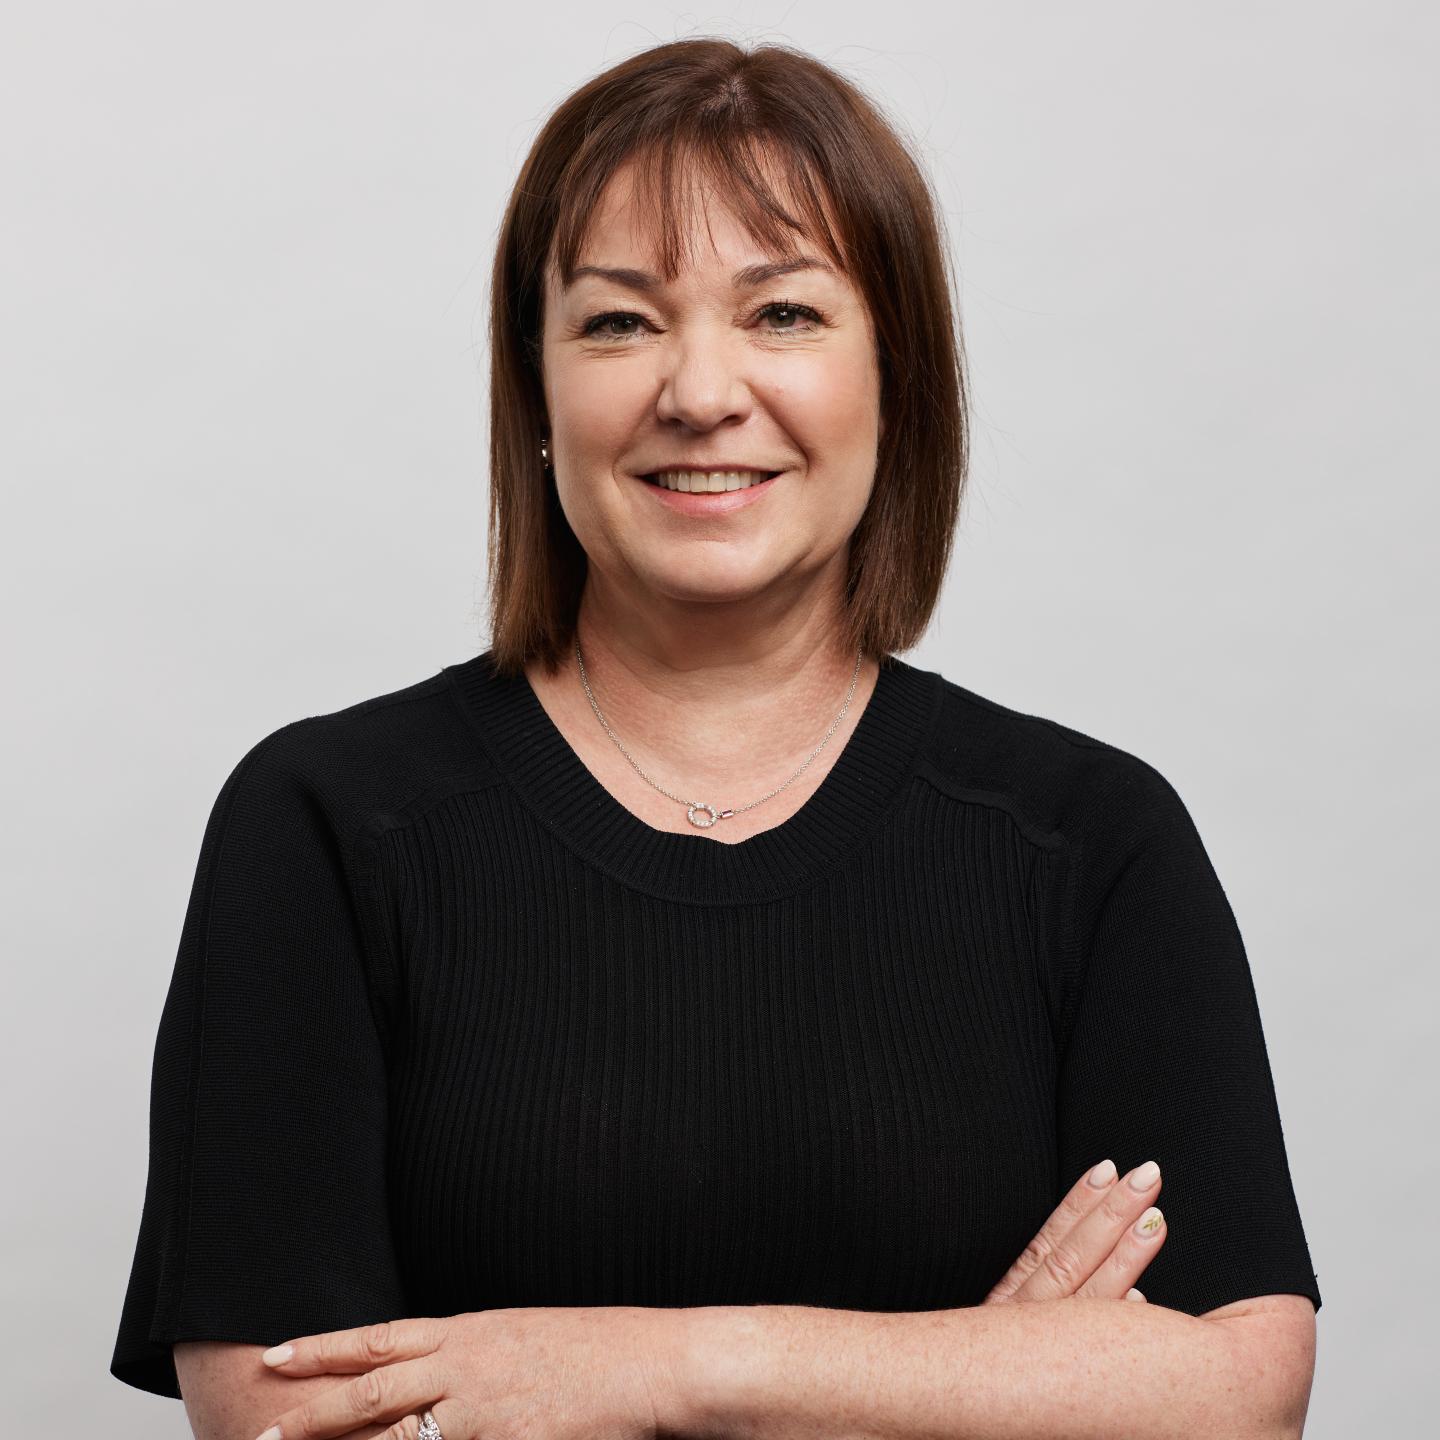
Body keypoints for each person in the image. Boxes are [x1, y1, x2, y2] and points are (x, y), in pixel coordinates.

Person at [111, 36, 1321, 1440]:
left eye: (785, 315)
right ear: (538, 394)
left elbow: (1237, 1393)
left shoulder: (1090, 839)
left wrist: (667, 1370)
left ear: (899, 375)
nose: (698, 391)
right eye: (620, 321)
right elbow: (287, 1422)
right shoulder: (324, 825)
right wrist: (969, 1390)